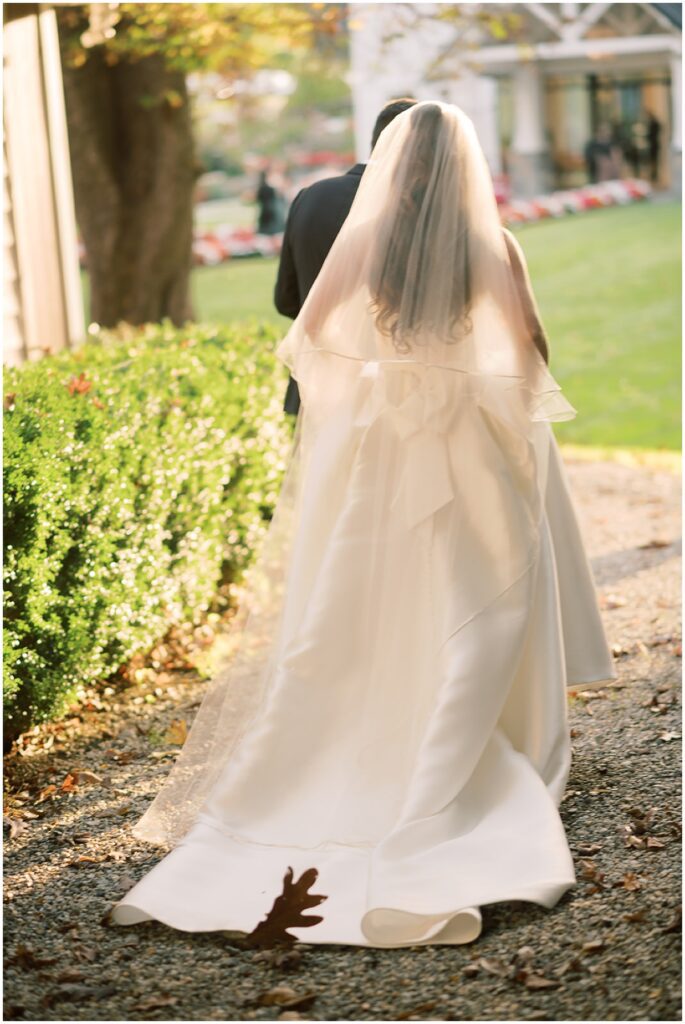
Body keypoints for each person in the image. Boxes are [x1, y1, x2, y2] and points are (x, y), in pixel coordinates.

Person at [111, 101, 616, 948]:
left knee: (366, 593)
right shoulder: (493, 245)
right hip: (466, 445)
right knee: (484, 600)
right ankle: (470, 754)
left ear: (392, 161)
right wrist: (471, 387)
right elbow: (530, 350)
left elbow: (307, 334)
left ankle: (352, 743)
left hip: (383, 445)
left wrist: (373, 388)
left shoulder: (365, 239)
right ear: (464, 166)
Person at [275, 98, 418, 416]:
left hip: (314, 384)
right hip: (396, 394)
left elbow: (286, 300)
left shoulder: (310, 196)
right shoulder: (413, 206)